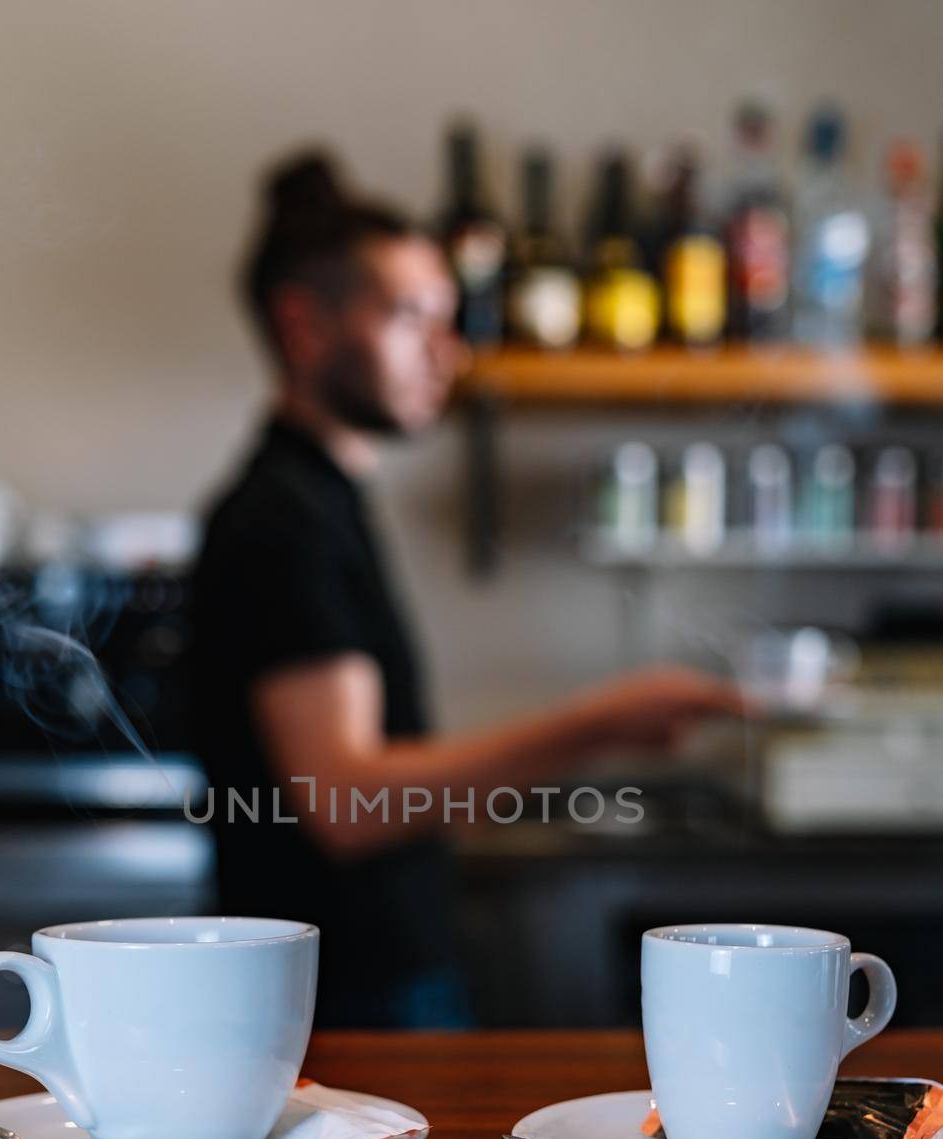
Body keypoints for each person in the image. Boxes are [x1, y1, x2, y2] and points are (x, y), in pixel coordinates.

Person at [190, 151, 742, 1029]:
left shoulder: (320, 503)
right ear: (303, 326)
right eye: (412, 319)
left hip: (358, 978)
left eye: (448, 319)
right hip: (341, 1001)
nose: (448, 353)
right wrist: (600, 724)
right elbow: (348, 801)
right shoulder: (281, 522)